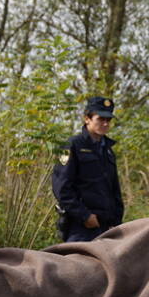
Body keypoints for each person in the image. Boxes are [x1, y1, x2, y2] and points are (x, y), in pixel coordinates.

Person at [52, 96, 124, 243]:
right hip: (80, 228)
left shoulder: (108, 151)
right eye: (100, 119)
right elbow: (61, 188)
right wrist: (85, 216)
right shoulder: (71, 146)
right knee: (74, 265)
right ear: (87, 119)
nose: (105, 123)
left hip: (107, 227)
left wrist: (116, 222)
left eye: (108, 120)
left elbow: (115, 190)